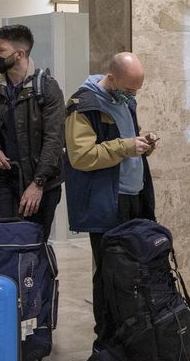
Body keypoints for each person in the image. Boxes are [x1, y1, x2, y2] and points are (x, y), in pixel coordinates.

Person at [0, 25, 65, 238]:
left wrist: (38, 184)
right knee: (7, 241)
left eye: (0, 50)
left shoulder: (47, 88)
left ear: (19, 54)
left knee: (34, 242)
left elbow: (54, 140)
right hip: (3, 180)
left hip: (41, 182)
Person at [66, 52, 156, 242]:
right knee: (113, 266)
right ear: (111, 78)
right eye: (129, 89)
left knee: (138, 264)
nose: (133, 95)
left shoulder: (125, 101)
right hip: (109, 200)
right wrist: (126, 147)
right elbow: (81, 156)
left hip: (136, 195)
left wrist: (142, 144)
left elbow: (125, 140)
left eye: (136, 90)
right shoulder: (84, 106)